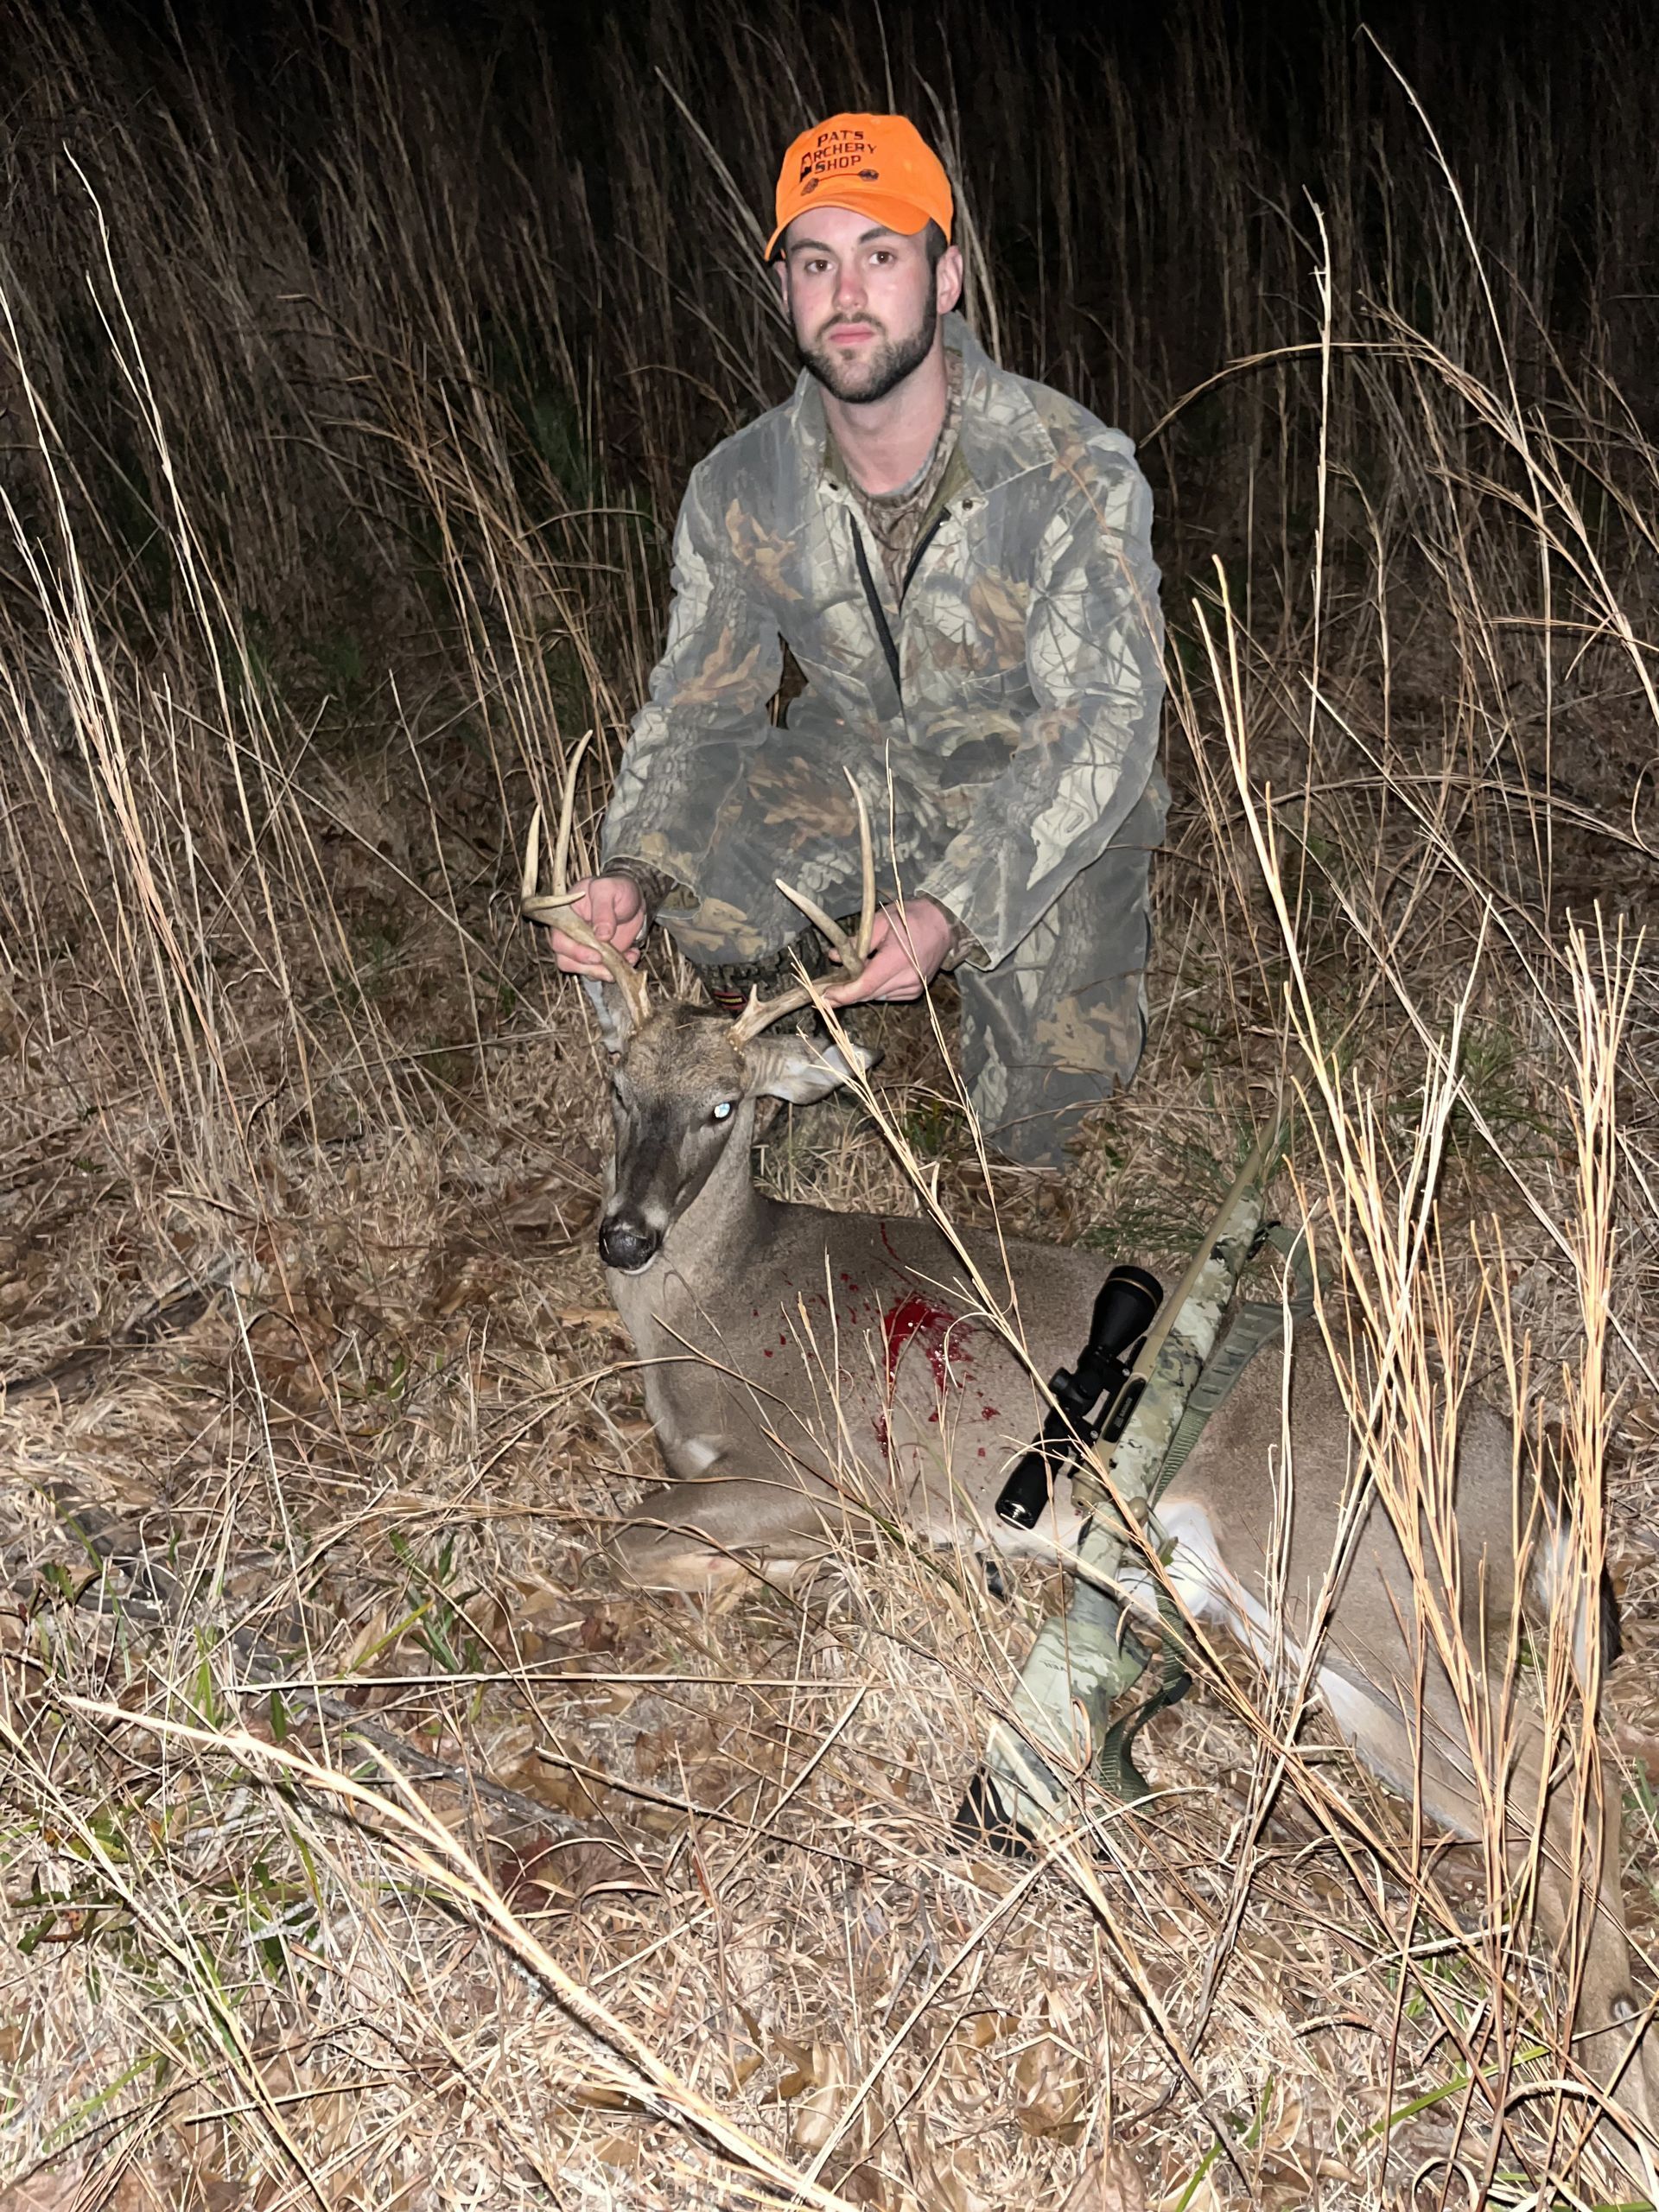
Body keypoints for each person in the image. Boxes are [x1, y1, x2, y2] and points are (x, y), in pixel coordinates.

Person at [544, 111, 1166, 1166]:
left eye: (882, 255)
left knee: (1043, 1143)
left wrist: (953, 909)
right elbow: (701, 708)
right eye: (815, 260)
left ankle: (981, 989)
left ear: (946, 277)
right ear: (784, 288)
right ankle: (771, 1062)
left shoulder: (1070, 468)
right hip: (863, 787)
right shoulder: (740, 484)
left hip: (1036, 814)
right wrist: (633, 872)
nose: (847, 293)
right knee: (711, 895)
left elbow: (1101, 728)